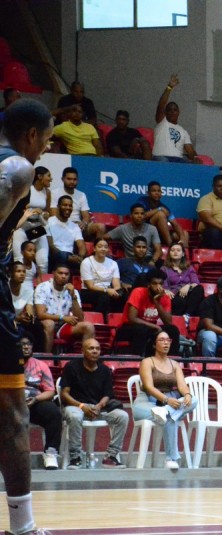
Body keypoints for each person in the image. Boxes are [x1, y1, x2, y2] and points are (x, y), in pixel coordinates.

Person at [0, 97, 53, 535]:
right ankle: (23, 527)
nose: (46, 148)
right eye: (47, 140)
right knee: (13, 414)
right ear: (32, 135)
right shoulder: (18, 167)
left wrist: (15, 227)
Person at [60, 338, 129, 469]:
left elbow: (107, 395)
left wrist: (99, 406)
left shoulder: (105, 370)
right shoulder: (71, 367)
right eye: (91, 348)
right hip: (76, 406)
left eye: (97, 348)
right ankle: (75, 457)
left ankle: (110, 457)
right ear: (83, 351)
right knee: (75, 416)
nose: (95, 351)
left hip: (98, 409)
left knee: (122, 416)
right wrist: (81, 406)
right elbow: (64, 394)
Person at [133, 329, 197, 470]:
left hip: (168, 403)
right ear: (154, 344)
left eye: (168, 340)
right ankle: (171, 458)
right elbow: (148, 387)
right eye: (162, 340)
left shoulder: (175, 364)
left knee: (194, 400)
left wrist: (187, 394)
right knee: (170, 415)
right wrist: (167, 400)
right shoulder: (147, 362)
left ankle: (166, 411)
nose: (166, 343)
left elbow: (182, 385)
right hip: (147, 402)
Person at [114, 269, 181, 356]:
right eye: (154, 283)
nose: (158, 287)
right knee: (141, 329)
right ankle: (136, 360)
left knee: (173, 330)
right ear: (148, 284)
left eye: (160, 284)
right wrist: (154, 326)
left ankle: (171, 360)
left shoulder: (165, 297)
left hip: (149, 329)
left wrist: (157, 302)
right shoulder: (138, 292)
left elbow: (168, 322)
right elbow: (132, 318)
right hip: (127, 328)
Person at [33, 264, 95, 354]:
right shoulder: (43, 288)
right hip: (44, 323)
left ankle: (86, 358)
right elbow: (40, 314)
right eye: (60, 273)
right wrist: (62, 317)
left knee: (88, 326)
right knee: (50, 324)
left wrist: (73, 296)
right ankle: (47, 358)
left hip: (63, 325)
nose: (63, 276)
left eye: (66, 274)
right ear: (53, 273)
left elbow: (80, 318)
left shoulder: (73, 291)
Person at [22, 336, 61, 470]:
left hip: (34, 404)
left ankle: (51, 452)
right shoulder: (6, 365)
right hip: (12, 405)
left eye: (28, 344)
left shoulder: (41, 365)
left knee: (53, 412)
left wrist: (36, 399)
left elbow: (50, 391)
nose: (26, 347)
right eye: (22, 344)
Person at [12, 165, 51, 274]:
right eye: (48, 176)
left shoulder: (47, 192)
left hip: (37, 227)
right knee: (19, 258)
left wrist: (45, 214)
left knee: (43, 261)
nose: (51, 179)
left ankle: (42, 283)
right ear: (39, 176)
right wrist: (30, 210)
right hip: (23, 226)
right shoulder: (27, 189)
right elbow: (15, 207)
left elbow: (48, 211)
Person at [49, 167, 104, 242]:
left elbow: (86, 216)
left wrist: (84, 223)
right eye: (69, 179)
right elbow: (54, 215)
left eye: (74, 179)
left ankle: (99, 247)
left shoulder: (81, 195)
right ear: (62, 179)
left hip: (78, 227)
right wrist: (70, 224)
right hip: (61, 224)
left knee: (100, 227)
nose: (72, 182)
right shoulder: (54, 193)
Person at [153, 74, 198, 163]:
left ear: (178, 112)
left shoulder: (183, 131)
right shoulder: (162, 122)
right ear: (165, 112)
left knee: (191, 164)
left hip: (178, 160)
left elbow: (190, 151)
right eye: (169, 110)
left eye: (175, 110)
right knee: (165, 162)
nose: (172, 112)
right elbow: (161, 105)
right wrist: (169, 87)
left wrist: (195, 157)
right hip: (161, 158)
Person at [79, 237, 126, 316]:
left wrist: (116, 293)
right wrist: (107, 290)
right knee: (104, 297)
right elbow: (90, 286)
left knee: (124, 297)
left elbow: (116, 285)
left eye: (105, 247)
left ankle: (117, 320)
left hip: (108, 290)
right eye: (100, 246)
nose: (103, 249)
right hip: (89, 291)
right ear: (94, 248)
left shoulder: (113, 263)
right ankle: (99, 318)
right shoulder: (86, 262)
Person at [136, 181, 188, 248]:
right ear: (148, 193)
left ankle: (185, 253)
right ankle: (170, 245)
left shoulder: (164, 207)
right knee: (160, 215)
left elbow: (174, 223)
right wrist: (159, 209)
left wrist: (182, 237)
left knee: (185, 234)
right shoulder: (142, 201)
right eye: (154, 191)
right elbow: (142, 216)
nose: (157, 193)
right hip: (144, 232)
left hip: (159, 234)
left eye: (159, 191)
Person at [162, 242, 204, 317]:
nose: (175, 252)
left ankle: (187, 315)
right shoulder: (164, 269)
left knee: (200, 289)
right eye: (172, 250)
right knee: (180, 301)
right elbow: (165, 287)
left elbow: (196, 282)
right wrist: (166, 291)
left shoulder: (189, 268)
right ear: (169, 254)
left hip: (188, 294)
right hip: (174, 296)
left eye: (178, 250)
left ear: (183, 254)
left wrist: (188, 286)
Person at [46, 195, 86, 271]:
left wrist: (80, 257)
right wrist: (68, 258)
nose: (68, 208)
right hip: (54, 256)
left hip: (71, 257)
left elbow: (82, 246)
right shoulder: (49, 222)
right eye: (65, 205)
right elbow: (51, 246)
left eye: (70, 206)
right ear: (58, 206)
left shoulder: (75, 226)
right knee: (61, 255)